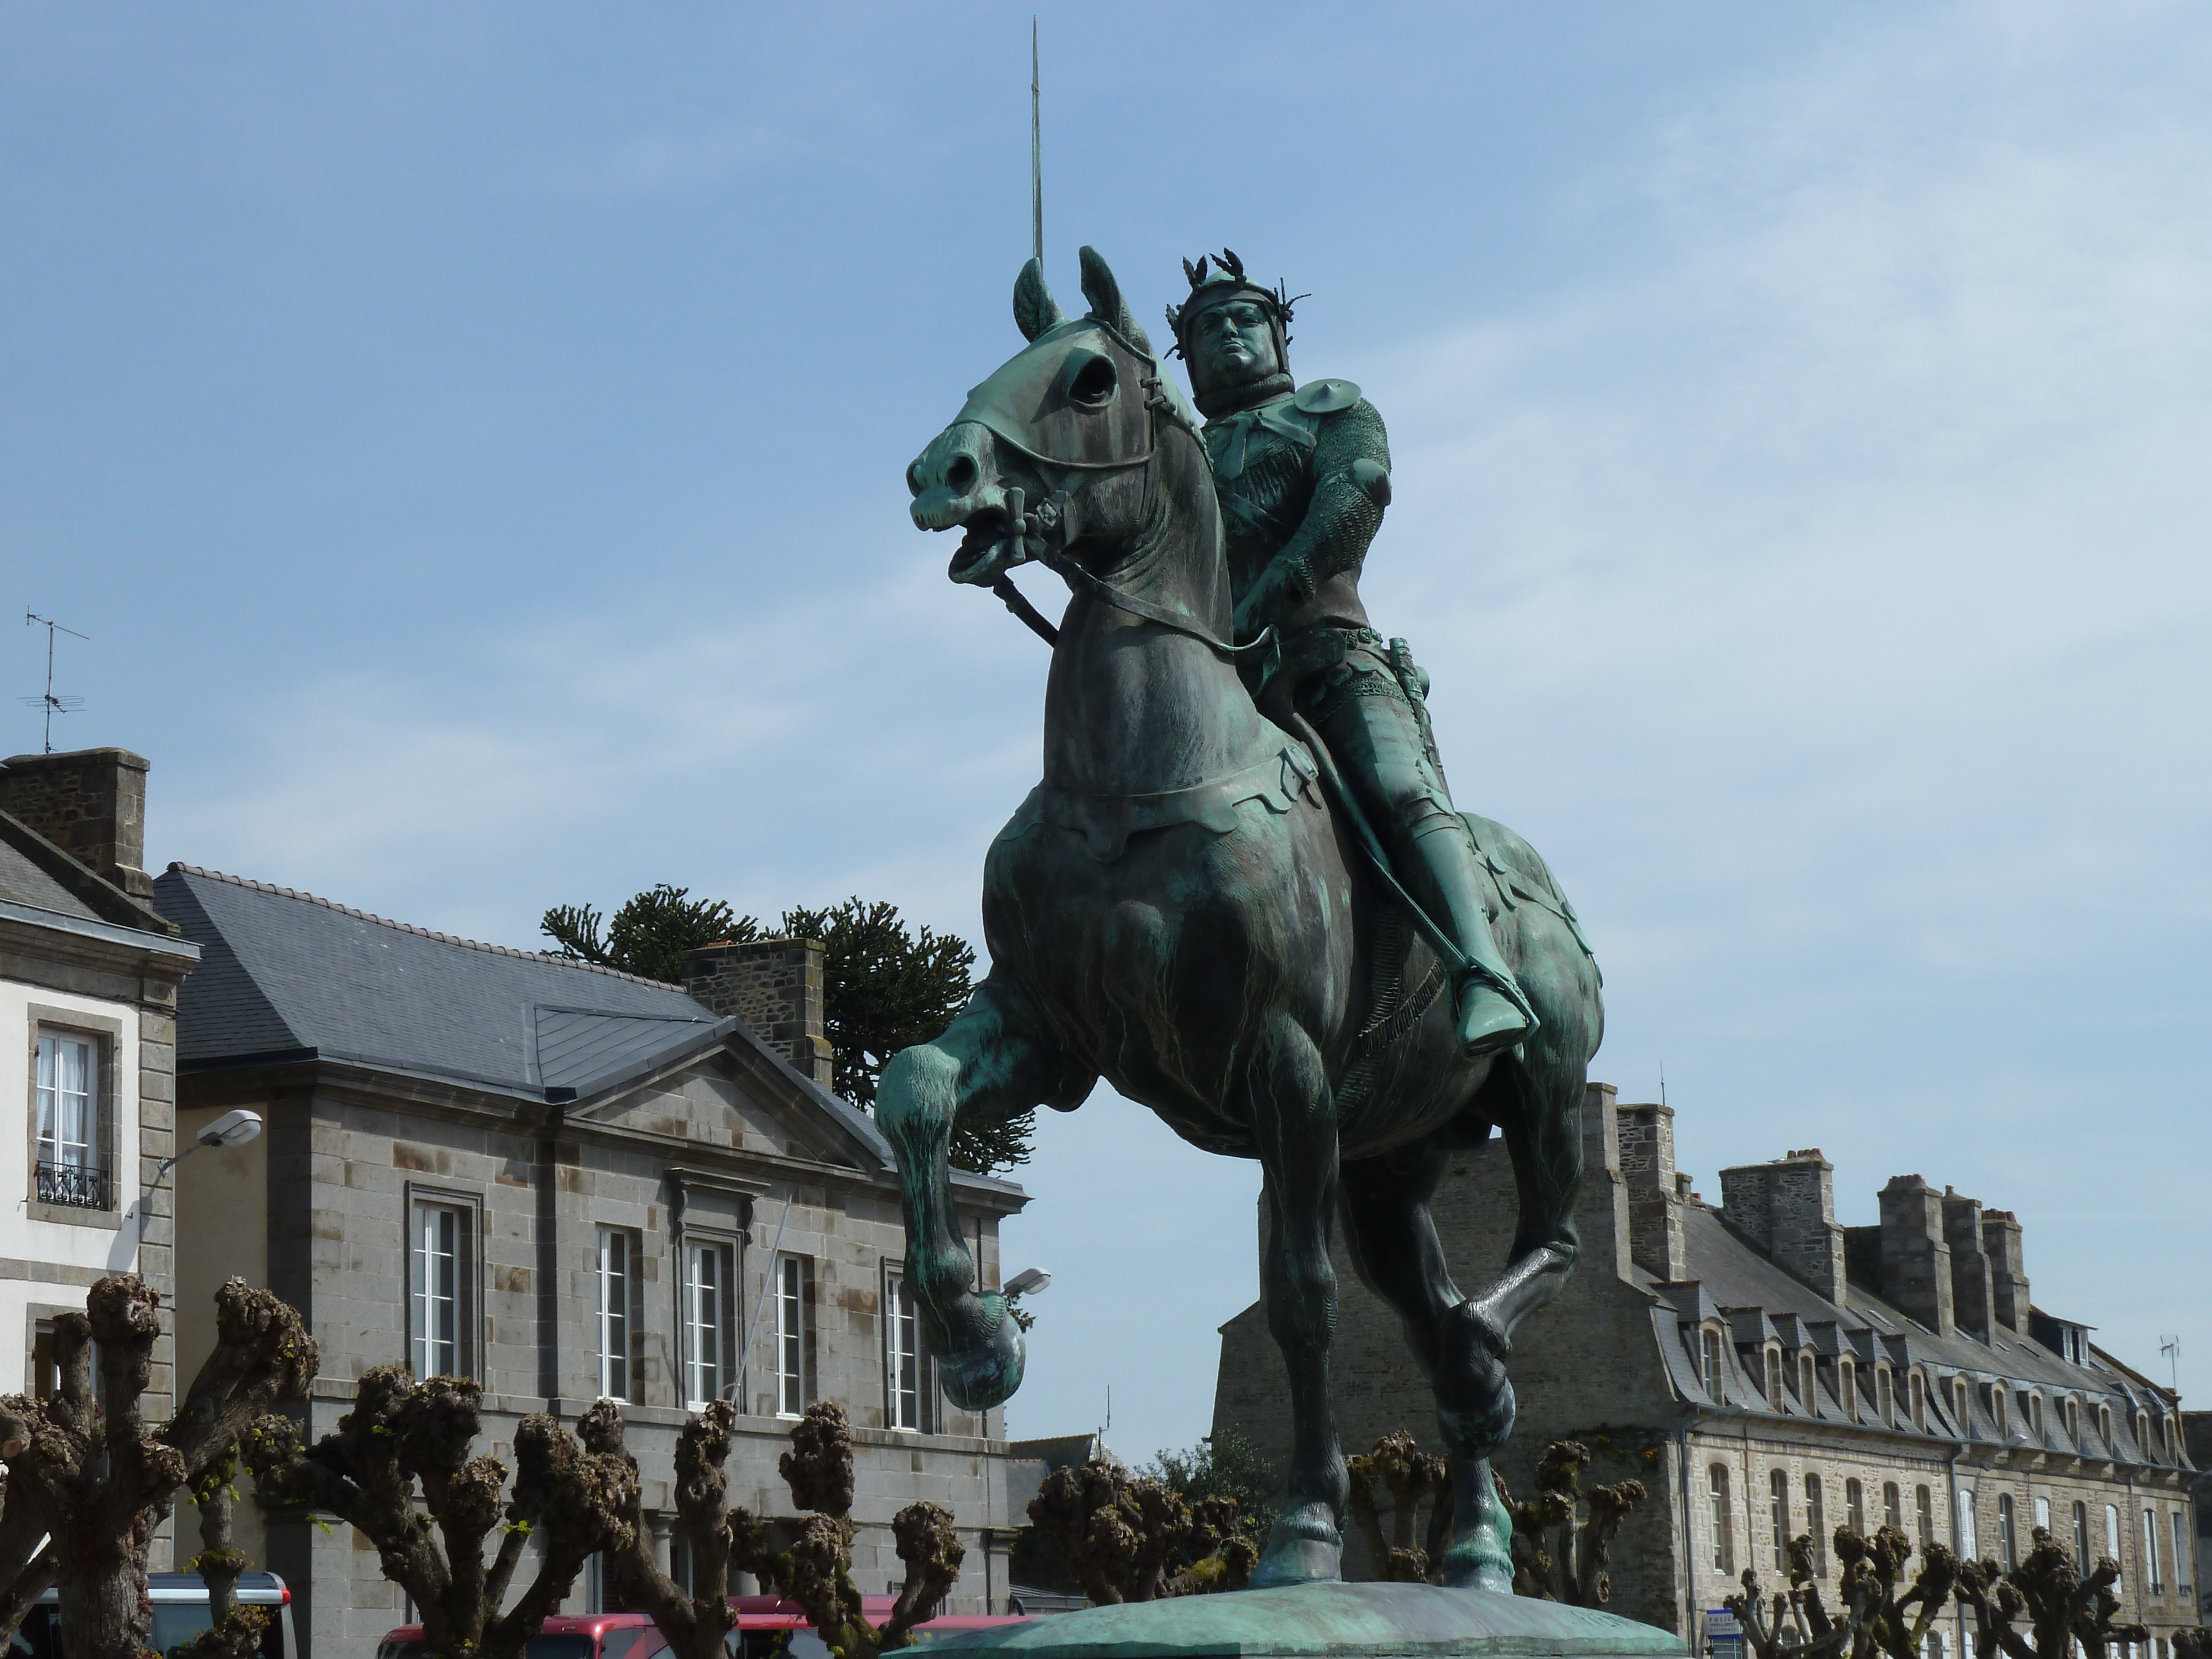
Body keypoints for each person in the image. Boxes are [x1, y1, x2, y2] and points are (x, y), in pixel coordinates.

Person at [1167, 251, 1536, 1054]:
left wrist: (1264, 602)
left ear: (1279, 337)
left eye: (1244, 319)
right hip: (1215, 682)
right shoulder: (1172, 451)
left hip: (1325, 657)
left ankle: (1483, 970)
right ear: (1185, 358)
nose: (1228, 333)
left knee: (1401, 789)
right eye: (1207, 328)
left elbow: (1350, 504)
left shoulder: (1334, 414)